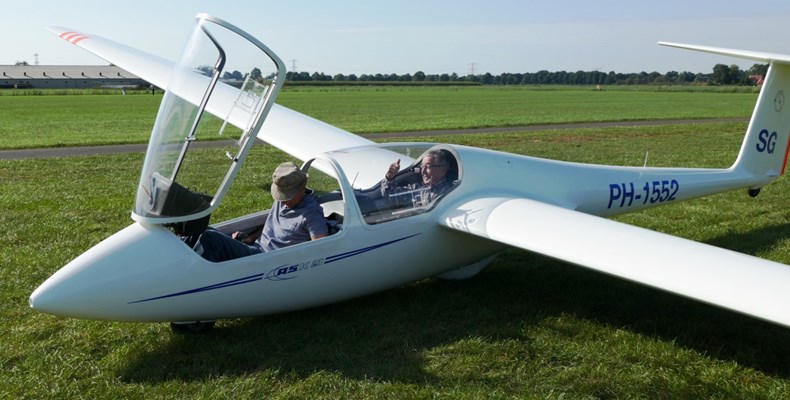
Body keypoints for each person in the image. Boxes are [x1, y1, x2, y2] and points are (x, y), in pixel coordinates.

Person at [186, 162, 328, 262]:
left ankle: (200, 281)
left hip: (265, 261)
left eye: (286, 196)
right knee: (201, 230)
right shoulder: (284, 200)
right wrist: (250, 238)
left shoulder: (312, 213)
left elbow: (321, 248)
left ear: (301, 189)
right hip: (254, 247)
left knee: (209, 239)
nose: (282, 200)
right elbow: (273, 223)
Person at [381, 149, 456, 208]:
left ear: (443, 169)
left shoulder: (450, 192)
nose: (423, 171)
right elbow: (390, 196)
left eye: (428, 167)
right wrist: (390, 177)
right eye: (422, 167)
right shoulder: (417, 189)